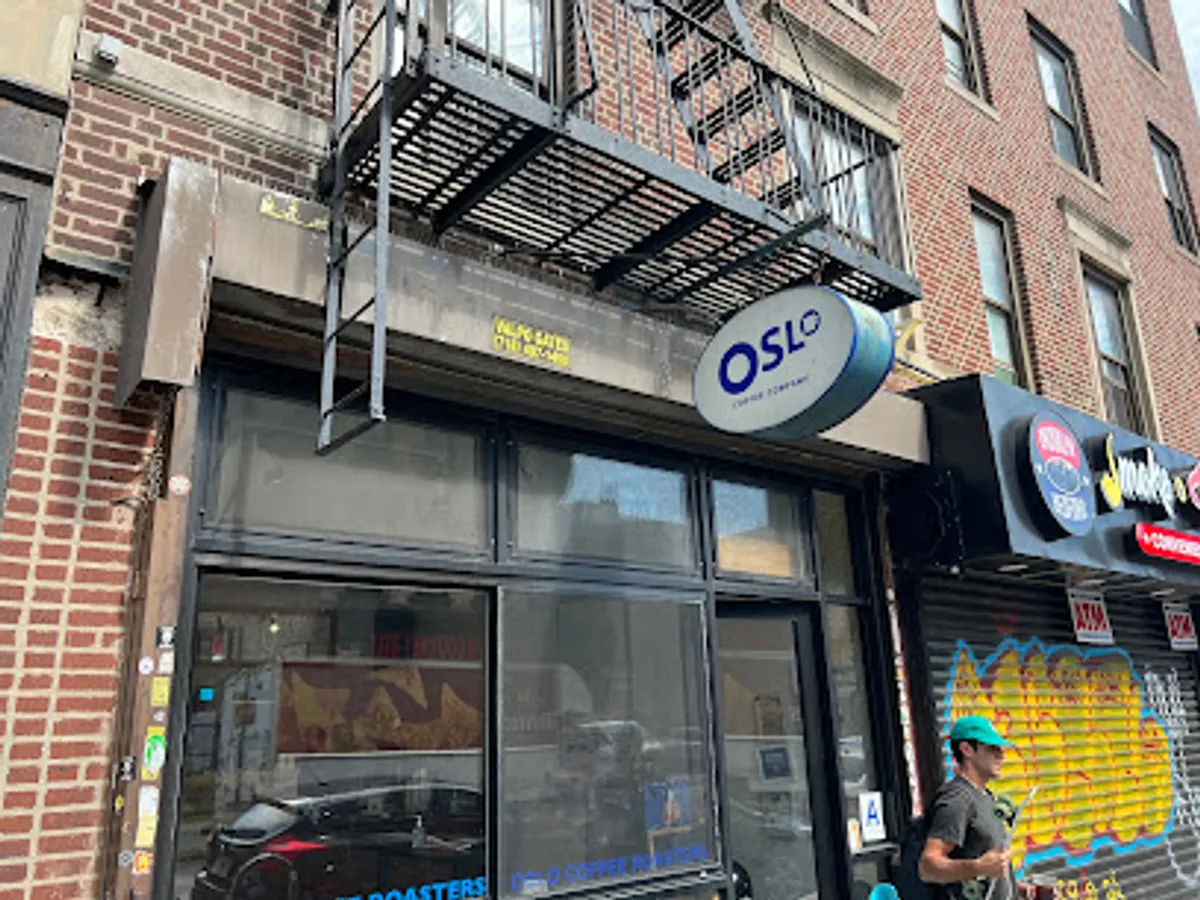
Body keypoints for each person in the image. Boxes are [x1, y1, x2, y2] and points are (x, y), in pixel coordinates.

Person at [919, 715, 1027, 900]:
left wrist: (1016, 889)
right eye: (992, 748)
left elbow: (988, 868)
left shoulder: (985, 796)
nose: (1001, 754)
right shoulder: (957, 799)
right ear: (967, 749)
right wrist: (978, 867)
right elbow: (928, 867)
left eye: (1000, 748)